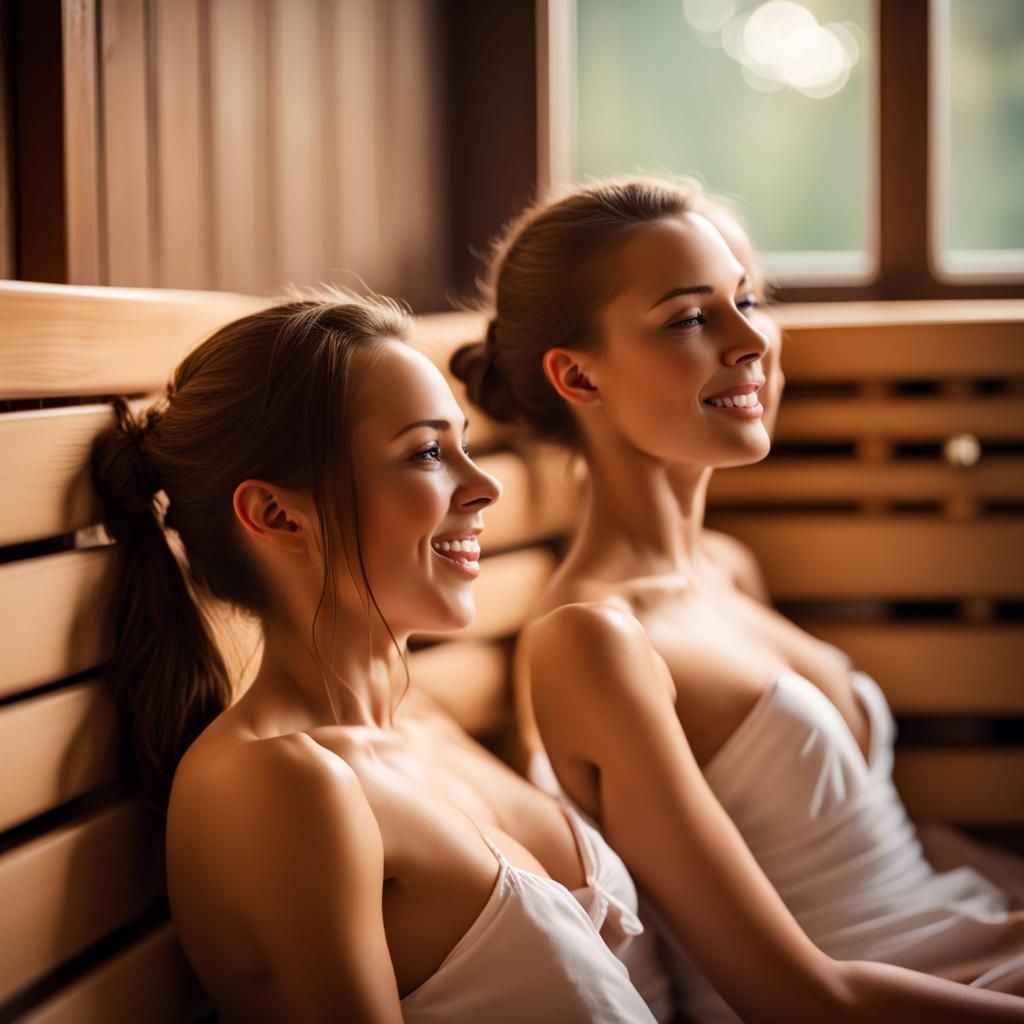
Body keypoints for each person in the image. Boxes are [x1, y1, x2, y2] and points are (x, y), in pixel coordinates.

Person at [451, 176, 1024, 1023]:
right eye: (690, 318)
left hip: (968, 947)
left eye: (748, 298)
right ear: (577, 376)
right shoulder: (593, 641)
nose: (750, 337)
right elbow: (795, 997)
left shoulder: (726, 568)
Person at [91, 296, 670, 1023]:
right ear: (276, 515)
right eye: (428, 453)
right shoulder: (277, 786)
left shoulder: (416, 721)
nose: (484, 484)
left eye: (461, 443)